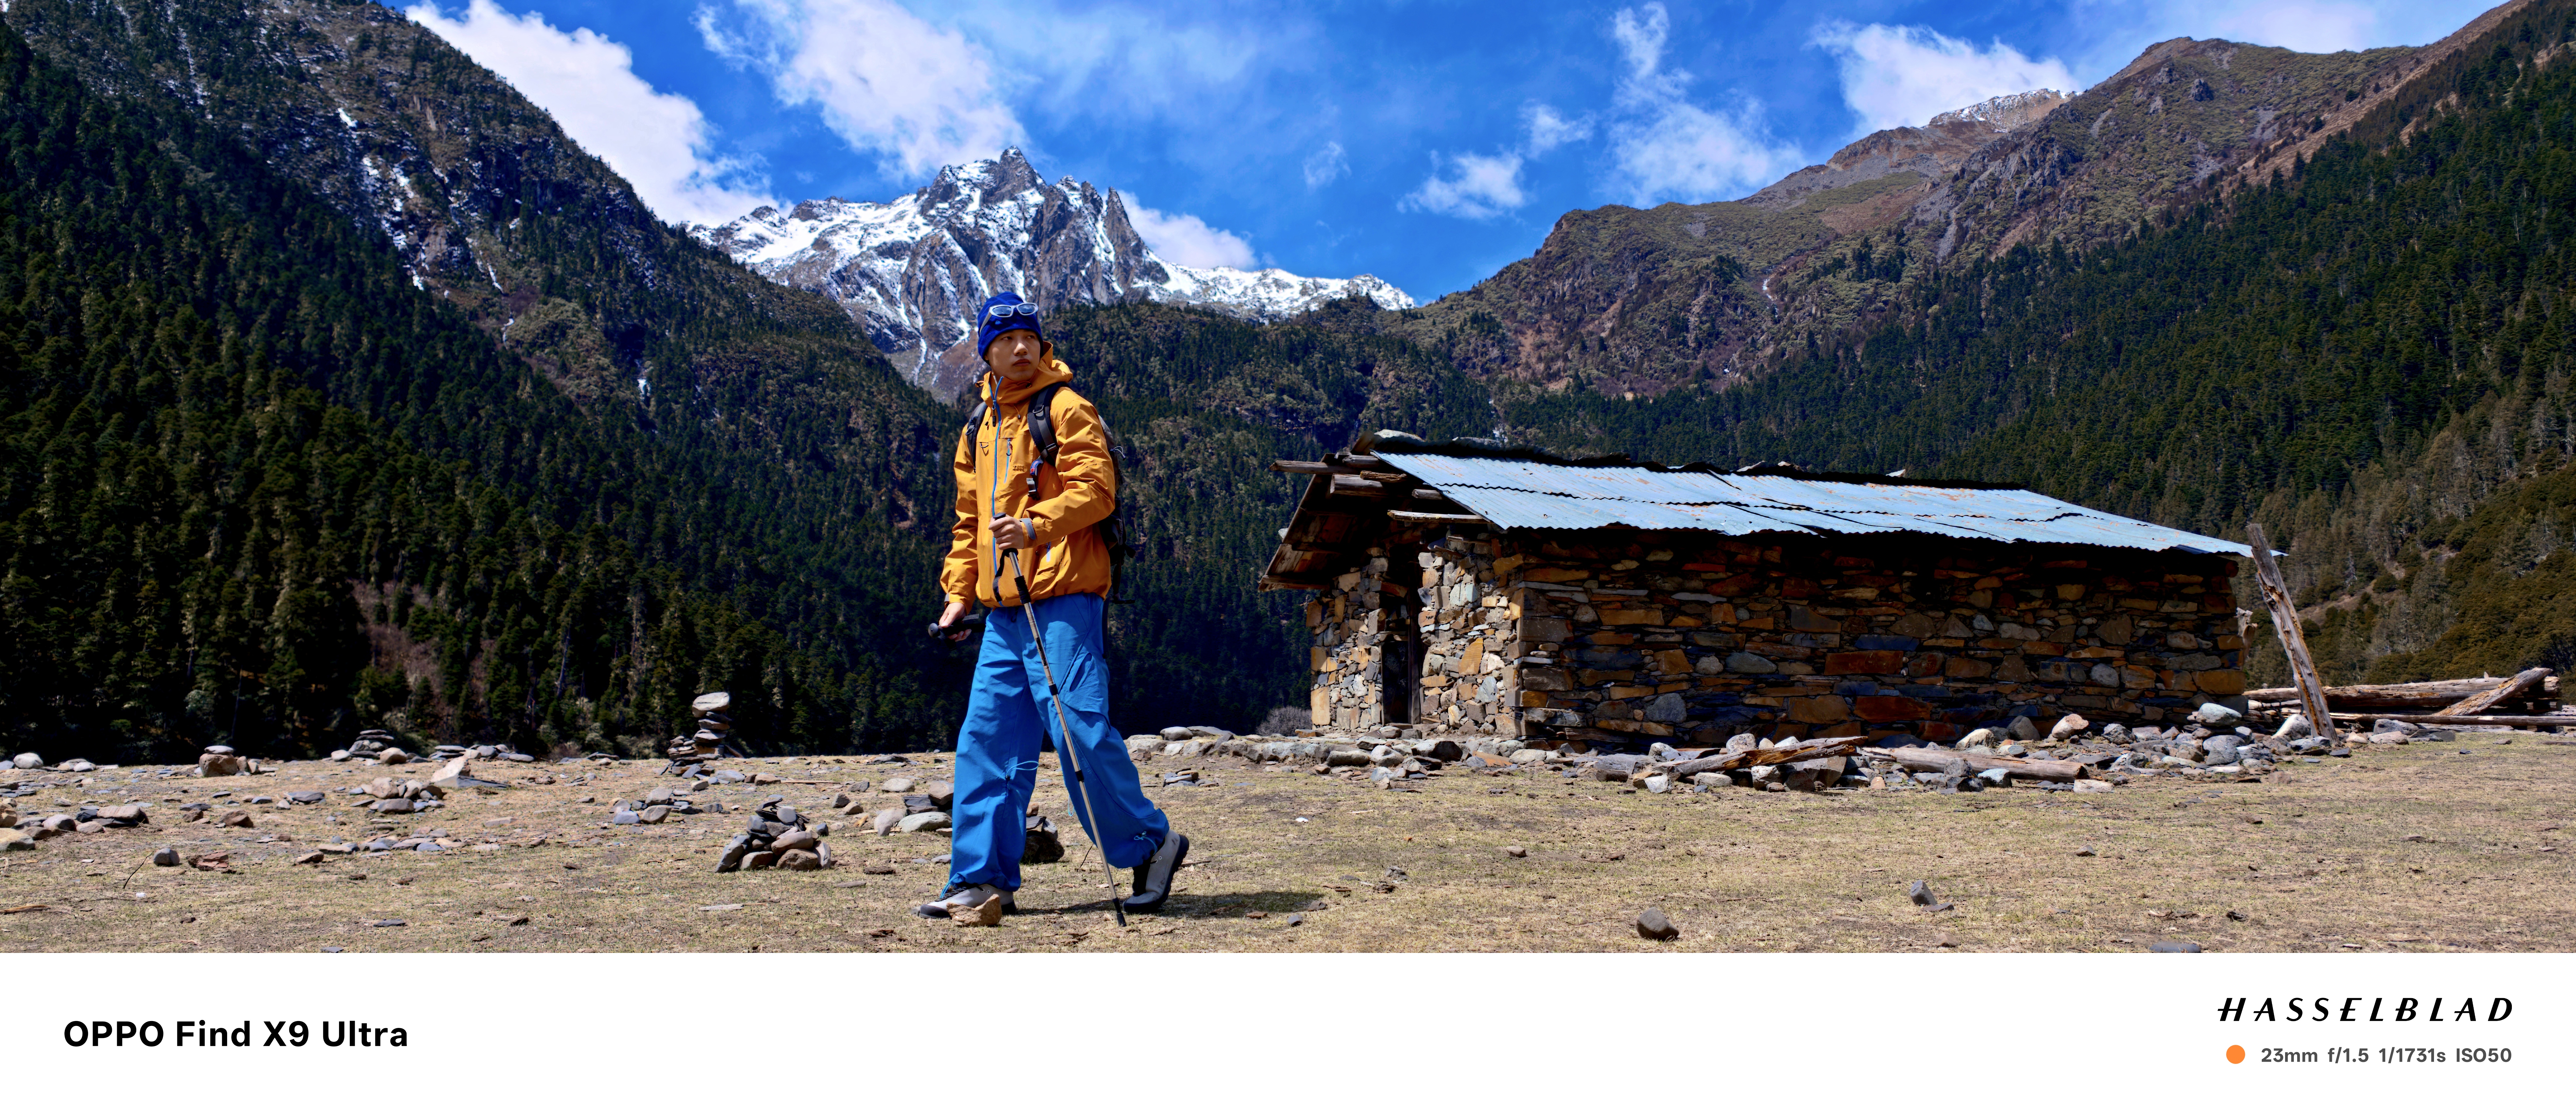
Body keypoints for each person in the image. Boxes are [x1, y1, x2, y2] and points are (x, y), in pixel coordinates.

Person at [922, 291, 1187, 919]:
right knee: (986, 742)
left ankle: (1152, 845)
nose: (1019, 348)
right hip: (1003, 613)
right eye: (1004, 339)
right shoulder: (978, 427)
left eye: (1028, 337)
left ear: (1042, 345)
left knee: (1078, 732)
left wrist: (1036, 526)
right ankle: (982, 878)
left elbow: (1098, 491)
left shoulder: (1065, 407)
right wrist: (959, 594)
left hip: (1065, 596)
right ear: (985, 351)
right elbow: (969, 523)